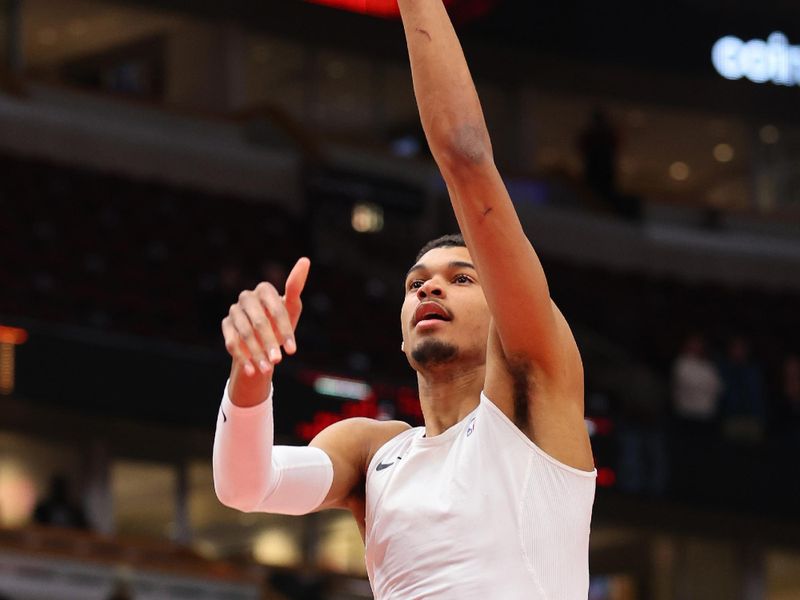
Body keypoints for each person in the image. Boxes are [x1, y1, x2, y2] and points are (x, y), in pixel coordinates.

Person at [213, 2, 596, 598]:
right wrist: (250, 376)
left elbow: (466, 158)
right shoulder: (372, 452)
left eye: (461, 278)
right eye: (415, 282)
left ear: (506, 313)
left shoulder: (533, 390)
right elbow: (246, 487)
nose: (429, 288)